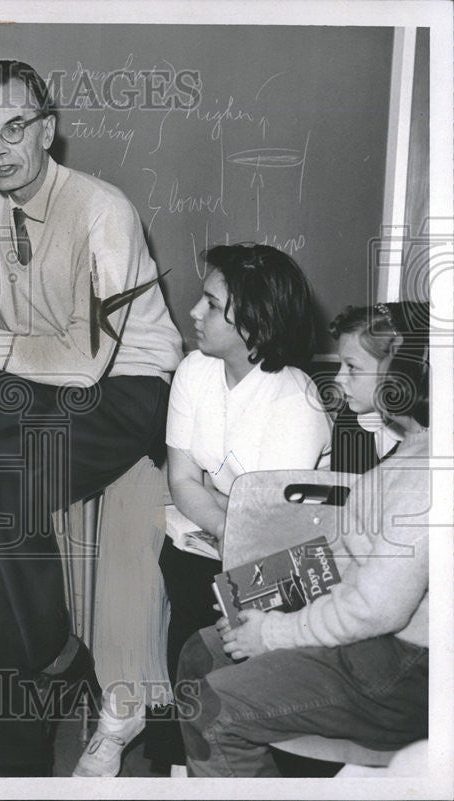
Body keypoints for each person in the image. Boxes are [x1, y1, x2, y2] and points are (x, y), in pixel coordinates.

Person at [0, 59, 183, 775]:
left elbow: (87, 362)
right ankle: (39, 656)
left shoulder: (103, 211)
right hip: (33, 382)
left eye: (15, 128)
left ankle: (37, 665)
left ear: (47, 130)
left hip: (123, 388)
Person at [177, 300, 430, 777]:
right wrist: (249, 593)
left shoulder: (429, 475)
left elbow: (378, 607)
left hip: (407, 672)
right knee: (200, 652)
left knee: (212, 707)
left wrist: (270, 634)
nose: (340, 380)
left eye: (354, 367)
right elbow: (348, 550)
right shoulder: (413, 447)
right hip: (378, 644)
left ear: (408, 374)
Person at [145, 243, 332, 770]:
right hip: (227, 539)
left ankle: (220, 755)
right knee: (180, 567)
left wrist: (225, 511)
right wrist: (227, 515)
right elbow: (182, 480)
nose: (193, 313)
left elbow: (270, 533)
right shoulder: (195, 371)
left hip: (294, 564)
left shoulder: (295, 402)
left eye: (209, 303)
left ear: (251, 323)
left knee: (215, 622)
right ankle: (187, 759)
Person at [328, 302, 428, 475]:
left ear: (397, 367)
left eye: (351, 366)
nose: (338, 378)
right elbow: (340, 497)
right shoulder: (350, 422)